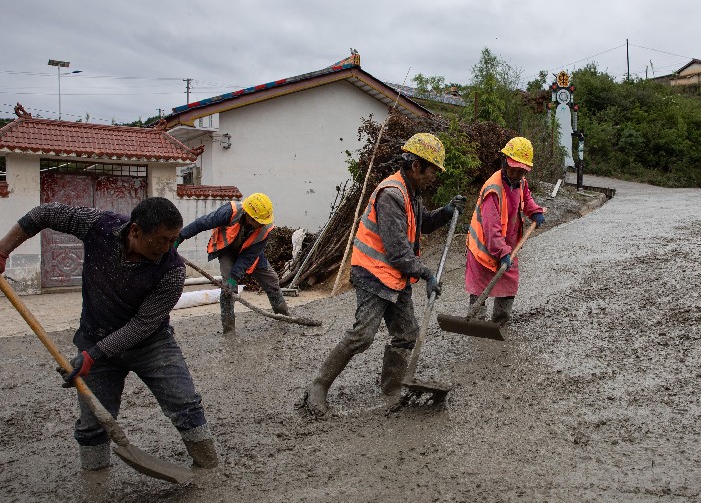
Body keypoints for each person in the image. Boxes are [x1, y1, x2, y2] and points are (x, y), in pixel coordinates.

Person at [0, 197, 218, 471]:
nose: (166, 248)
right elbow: (45, 214)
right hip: (95, 336)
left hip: (151, 344)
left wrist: (94, 355)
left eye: (173, 240)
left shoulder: (172, 270)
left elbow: (142, 325)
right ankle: (95, 482)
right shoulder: (98, 227)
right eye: (161, 240)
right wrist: (3, 250)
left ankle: (208, 468)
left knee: (186, 404)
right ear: (135, 231)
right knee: (93, 425)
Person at [299, 133, 466, 417]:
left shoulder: (411, 192)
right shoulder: (392, 195)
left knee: (406, 334)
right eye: (432, 172)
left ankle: (391, 388)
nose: (433, 178)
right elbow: (398, 252)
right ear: (416, 166)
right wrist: (427, 274)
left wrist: (447, 211)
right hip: (373, 273)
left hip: (396, 276)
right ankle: (318, 386)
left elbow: (422, 223)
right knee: (363, 335)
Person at [176, 192, 288, 334]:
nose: (260, 224)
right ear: (248, 215)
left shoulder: (265, 229)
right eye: (257, 221)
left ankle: (284, 317)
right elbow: (203, 223)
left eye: (262, 222)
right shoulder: (230, 211)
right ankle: (229, 329)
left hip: (249, 252)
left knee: (271, 279)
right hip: (226, 249)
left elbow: (248, 257)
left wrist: (235, 276)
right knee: (228, 288)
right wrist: (180, 236)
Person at [465, 136, 546, 325]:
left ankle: (500, 323)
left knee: (508, 283)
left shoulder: (520, 182)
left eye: (521, 171)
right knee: (480, 286)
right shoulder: (493, 189)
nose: (517, 174)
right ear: (505, 162)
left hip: (507, 245)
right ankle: (476, 323)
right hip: (483, 247)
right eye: (514, 169)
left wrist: (535, 212)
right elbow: (491, 229)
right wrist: (501, 252)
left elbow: (526, 199)